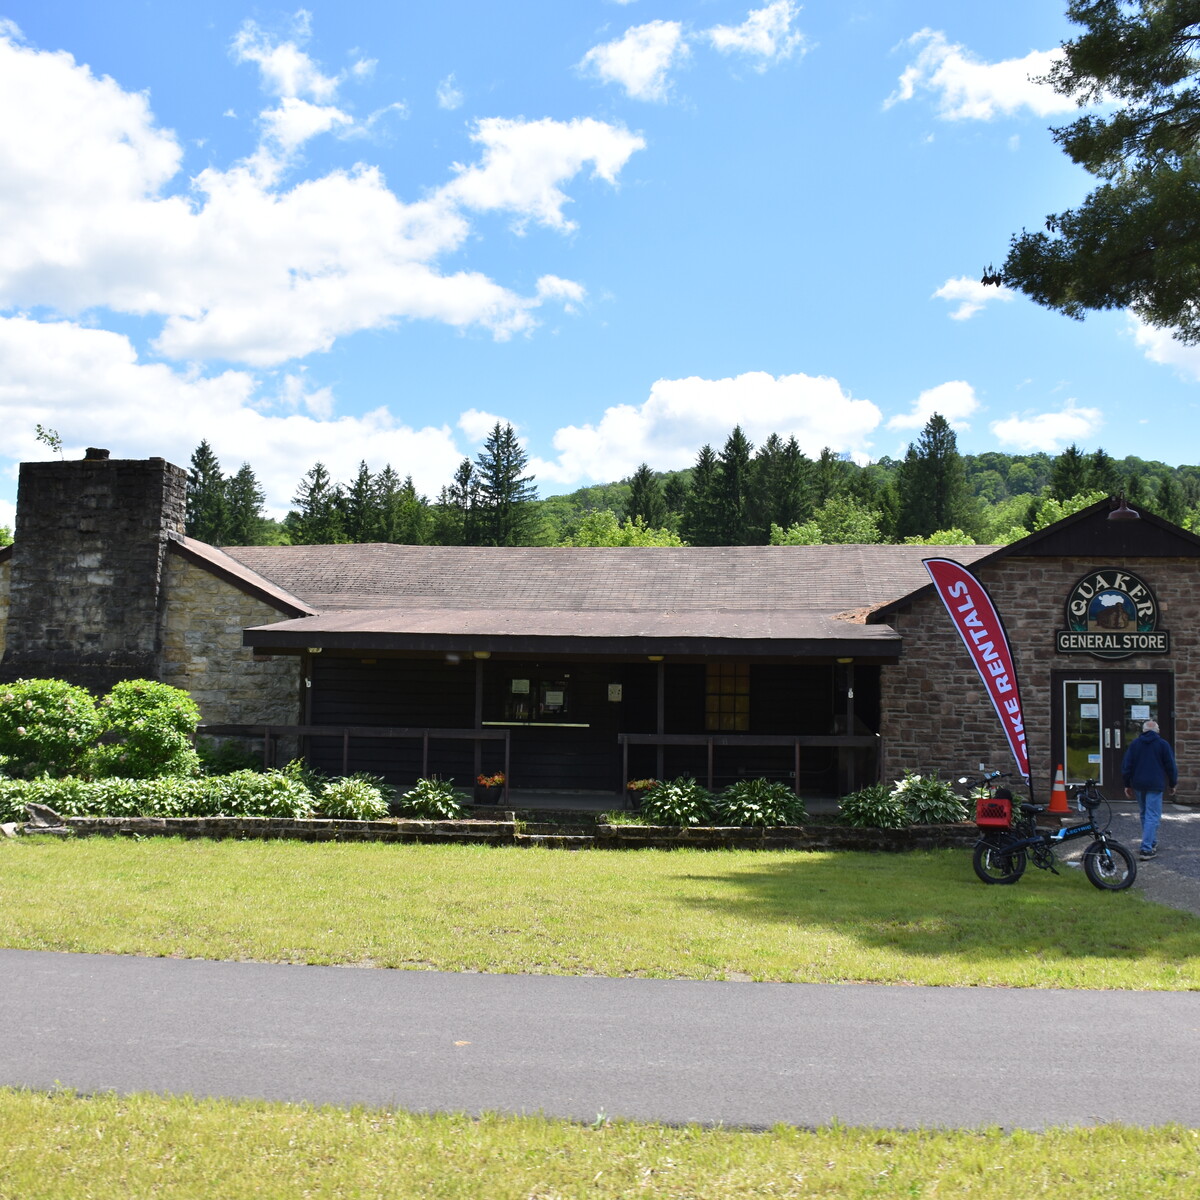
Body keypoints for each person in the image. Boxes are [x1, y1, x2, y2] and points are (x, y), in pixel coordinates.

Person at [1122, 719, 1178, 861]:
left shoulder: (1135, 744)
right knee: (1152, 816)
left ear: (1144, 731)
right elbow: (1171, 766)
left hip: (1139, 784)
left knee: (1145, 814)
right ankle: (1146, 848)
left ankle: (1151, 841)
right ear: (1157, 731)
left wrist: (1127, 784)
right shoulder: (1163, 745)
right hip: (1155, 784)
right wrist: (1173, 783)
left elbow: (1127, 766)